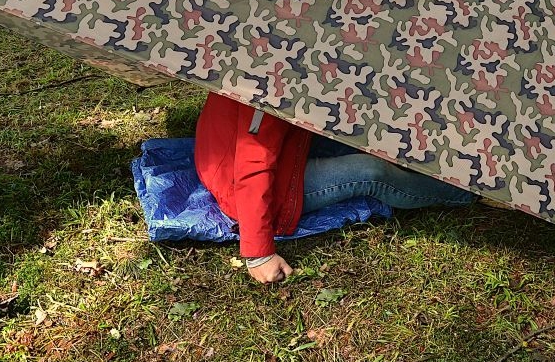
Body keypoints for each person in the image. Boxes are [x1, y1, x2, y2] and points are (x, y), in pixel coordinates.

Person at [194, 92, 476, 284]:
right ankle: (466, 192)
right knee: (370, 172)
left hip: (274, 147)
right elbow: (253, 165)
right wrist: (258, 254)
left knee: (363, 134)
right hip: (248, 186)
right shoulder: (262, 85)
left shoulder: (264, 50)